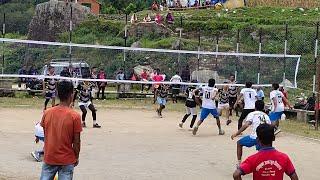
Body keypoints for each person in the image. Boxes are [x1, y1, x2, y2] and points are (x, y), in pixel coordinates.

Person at [40, 81, 82, 180]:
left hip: (50, 157)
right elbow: (76, 141)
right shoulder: (74, 116)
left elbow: (46, 135)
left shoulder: (47, 113)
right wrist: (76, 157)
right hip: (67, 159)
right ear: (71, 95)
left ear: (58, 94)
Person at [233, 124, 299, 180]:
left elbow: (236, 174)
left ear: (258, 140)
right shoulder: (284, 158)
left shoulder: (252, 159)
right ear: (273, 138)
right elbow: (294, 177)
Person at [231, 100, 271, 166]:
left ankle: (239, 163)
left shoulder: (252, 114)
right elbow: (269, 127)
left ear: (255, 107)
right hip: (264, 138)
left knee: (239, 143)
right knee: (263, 152)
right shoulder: (266, 116)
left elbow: (246, 125)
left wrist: (236, 133)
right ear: (263, 107)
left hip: (254, 137)